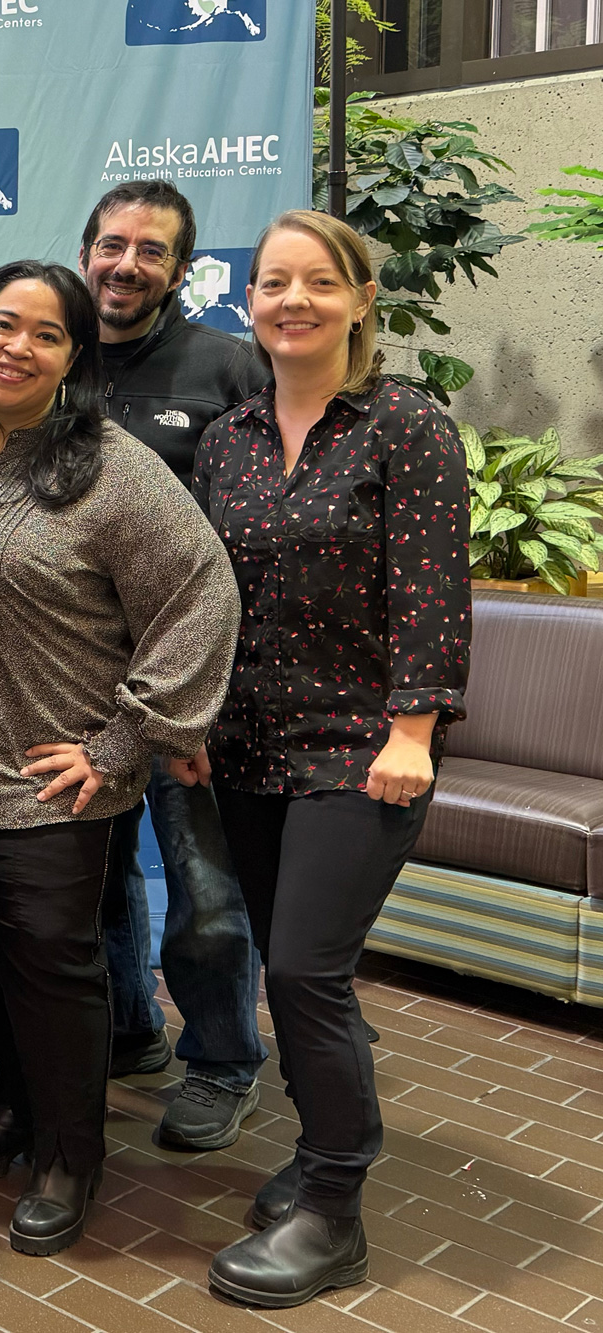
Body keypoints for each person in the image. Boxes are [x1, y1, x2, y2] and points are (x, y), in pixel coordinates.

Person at [0, 260, 239, 1258]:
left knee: (53, 964)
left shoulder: (110, 468)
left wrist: (125, 740)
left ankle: (68, 1155)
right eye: (3, 324)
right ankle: (17, 1103)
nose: (17, 346)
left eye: (47, 335)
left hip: (47, 780)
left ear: (74, 358)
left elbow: (199, 595)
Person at [193, 210, 469, 1308]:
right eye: (270, 283)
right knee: (292, 966)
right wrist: (191, 727)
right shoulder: (230, 435)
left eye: (317, 282)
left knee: (305, 969)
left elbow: (430, 591)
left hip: (360, 752)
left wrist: (414, 728)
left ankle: (334, 1209)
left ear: (358, 298)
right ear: (247, 301)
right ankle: (318, 1152)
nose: (290, 300)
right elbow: (212, 599)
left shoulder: (406, 425)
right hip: (245, 747)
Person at [75, 180, 270, 1150]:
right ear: (83, 255)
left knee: (205, 886)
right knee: (94, 879)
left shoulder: (229, 368)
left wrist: (216, 693)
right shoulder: (50, 361)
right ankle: (124, 1030)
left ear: (181, 269)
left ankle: (222, 1058)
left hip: (192, 691)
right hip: (72, 686)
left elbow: (260, 531)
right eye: (111, 245)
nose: (125, 264)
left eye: (149, 251)